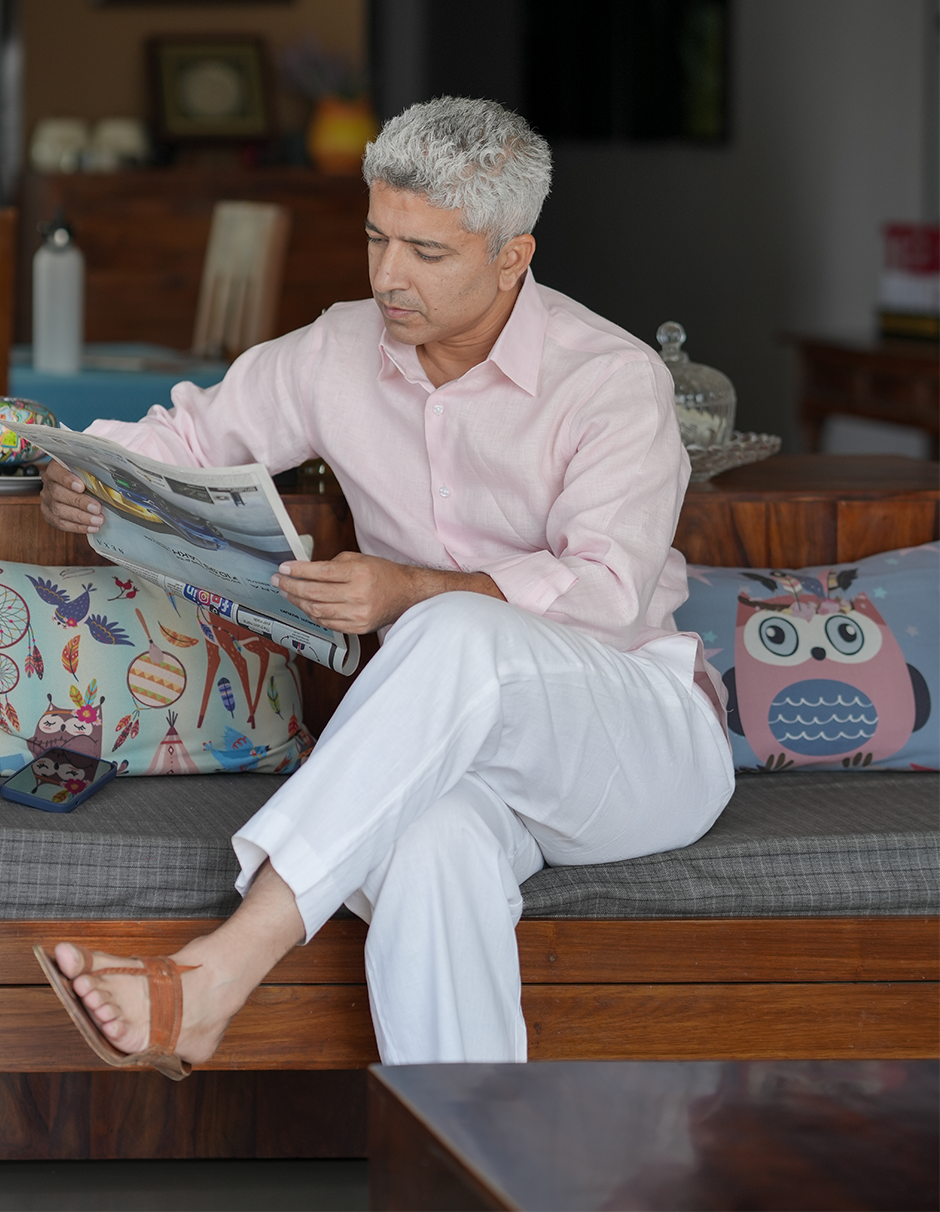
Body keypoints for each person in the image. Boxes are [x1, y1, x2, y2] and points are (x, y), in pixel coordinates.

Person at [38, 96, 734, 1072]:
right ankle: (466, 1159)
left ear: (511, 257)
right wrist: (93, 474)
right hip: (456, 755)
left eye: (427, 254)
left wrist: (408, 588)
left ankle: (221, 972)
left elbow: (606, 590)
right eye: (376, 238)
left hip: (632, 740)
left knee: (450, 627)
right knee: (428, 853)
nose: (386, 277)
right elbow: (190, 437)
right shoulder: (338, 348)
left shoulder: (612, 381)